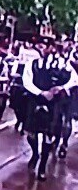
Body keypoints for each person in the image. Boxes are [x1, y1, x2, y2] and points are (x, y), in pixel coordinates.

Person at [22, 39, 78, 181]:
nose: (43, 48)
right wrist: (40, 92)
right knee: (31, 134)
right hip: (36, 100)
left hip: (54, 103)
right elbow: (26, 80)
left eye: (46, 46)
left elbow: (74, 79)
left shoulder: (63, 65)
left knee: (49, 135)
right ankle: (35, 154)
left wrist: (62, 88)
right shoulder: (32, 64)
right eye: (41, 46)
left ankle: (42, 167)